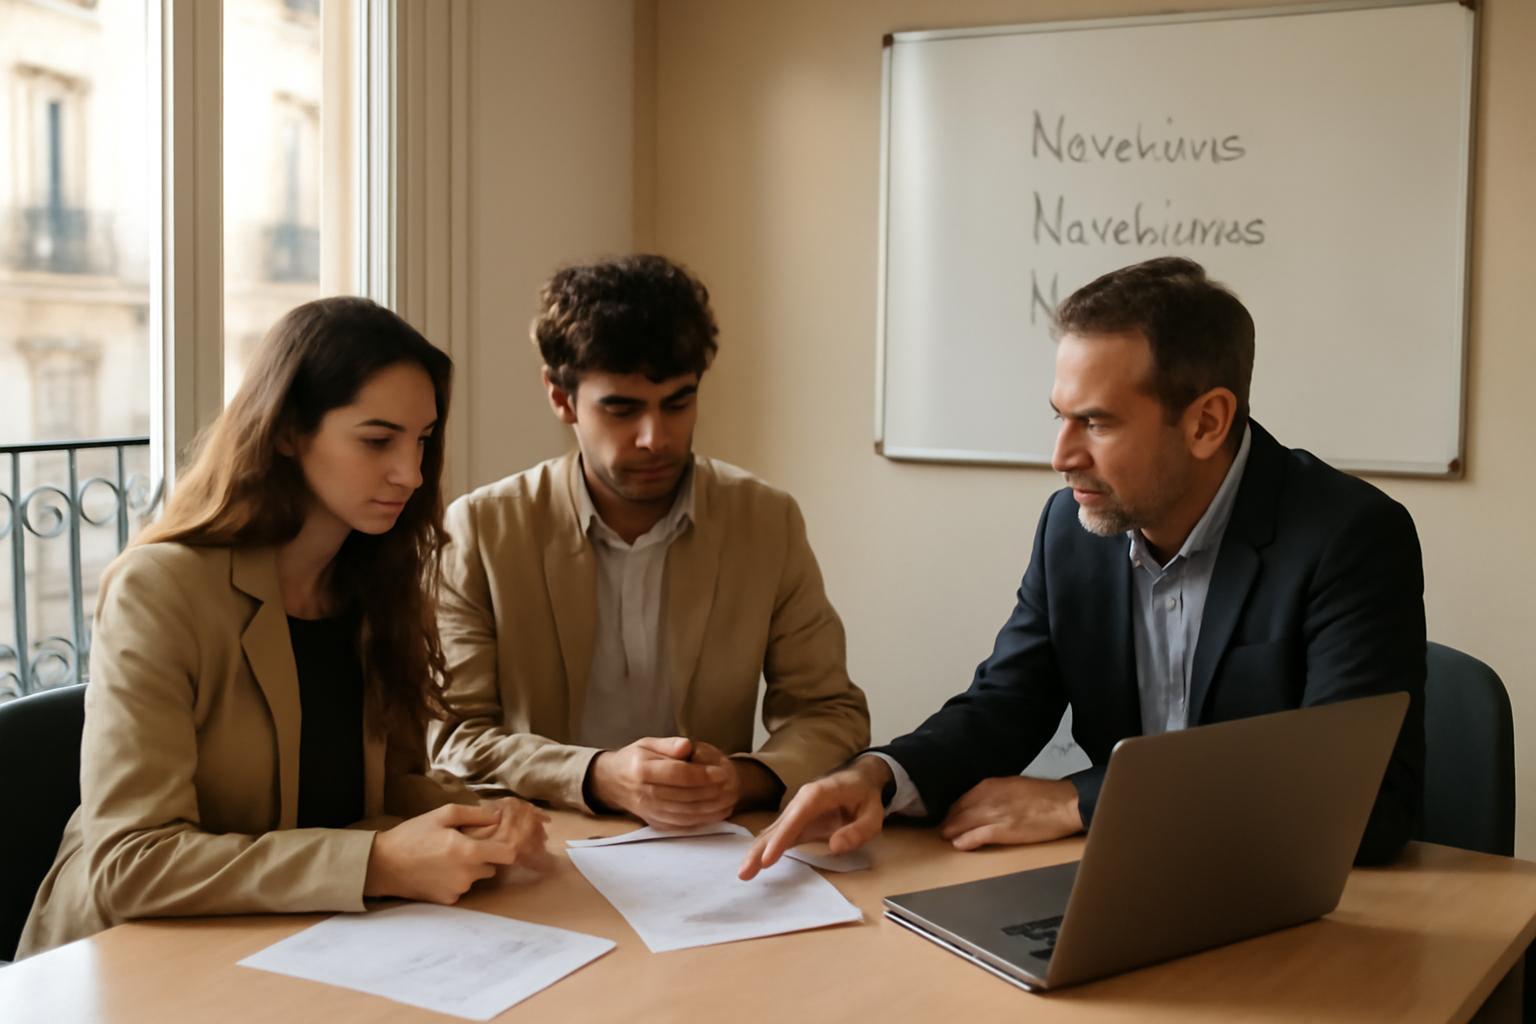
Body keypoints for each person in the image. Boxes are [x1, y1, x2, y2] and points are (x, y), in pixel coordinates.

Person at [740, 256, 1425, 880]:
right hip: (1119, 882)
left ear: (1207, 422)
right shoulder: (1072, 527)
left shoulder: (1349, 537)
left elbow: (1360, 802)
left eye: (1096, 423)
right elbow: (1007, 702)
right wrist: (879, 776)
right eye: (1060, 418)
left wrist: (1079, 801)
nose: (1061, 456)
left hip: (1282, 897)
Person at [18, 297, 549, 958]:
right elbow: (131, 864)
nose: (411, 473)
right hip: (125, 960)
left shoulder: (374, 584)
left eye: (422, 440)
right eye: (377, 440)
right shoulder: (158, 589)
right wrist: (377, 862)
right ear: (288, 430)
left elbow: (384, 788)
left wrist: (479, 816)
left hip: (295, 943)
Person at [429, 254, 869, 829]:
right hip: (544, 844)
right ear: (561, 397)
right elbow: (453, 737)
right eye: (621, 409)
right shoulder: (482, 529)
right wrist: (595, 776)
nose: (654, 438)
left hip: (710, 845)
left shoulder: (766, 521)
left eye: (678, 403)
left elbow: (831, 712)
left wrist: (745, 779)